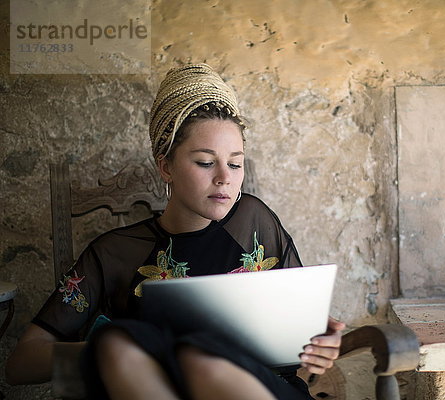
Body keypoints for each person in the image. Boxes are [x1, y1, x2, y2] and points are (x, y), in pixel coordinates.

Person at [6, 64, 345, 399]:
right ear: (165, 166)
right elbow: (21, 364)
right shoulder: (115, 253)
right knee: (124, 343)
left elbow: (306, 330)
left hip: (263, 389)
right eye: (205, 162)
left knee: (203, 362)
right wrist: (130, 348)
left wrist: (322, 343)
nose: (225, 177)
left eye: (236, 163)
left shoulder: (256, 223)